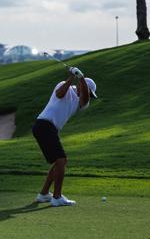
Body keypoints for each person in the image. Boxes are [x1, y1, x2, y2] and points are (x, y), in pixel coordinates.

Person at [32, 66, 97, 207]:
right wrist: (72, 77)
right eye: (89, 91)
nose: (89, 95)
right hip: (43, 125)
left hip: (49, 129)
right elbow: (60, 94)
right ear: (79, 85)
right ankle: (57, 197)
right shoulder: (63, 85)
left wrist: (81, 78)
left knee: (59, 161)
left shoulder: (82, 102)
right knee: (61, 160)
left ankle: (43, 194)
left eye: (90, 93)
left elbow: (85, 98)